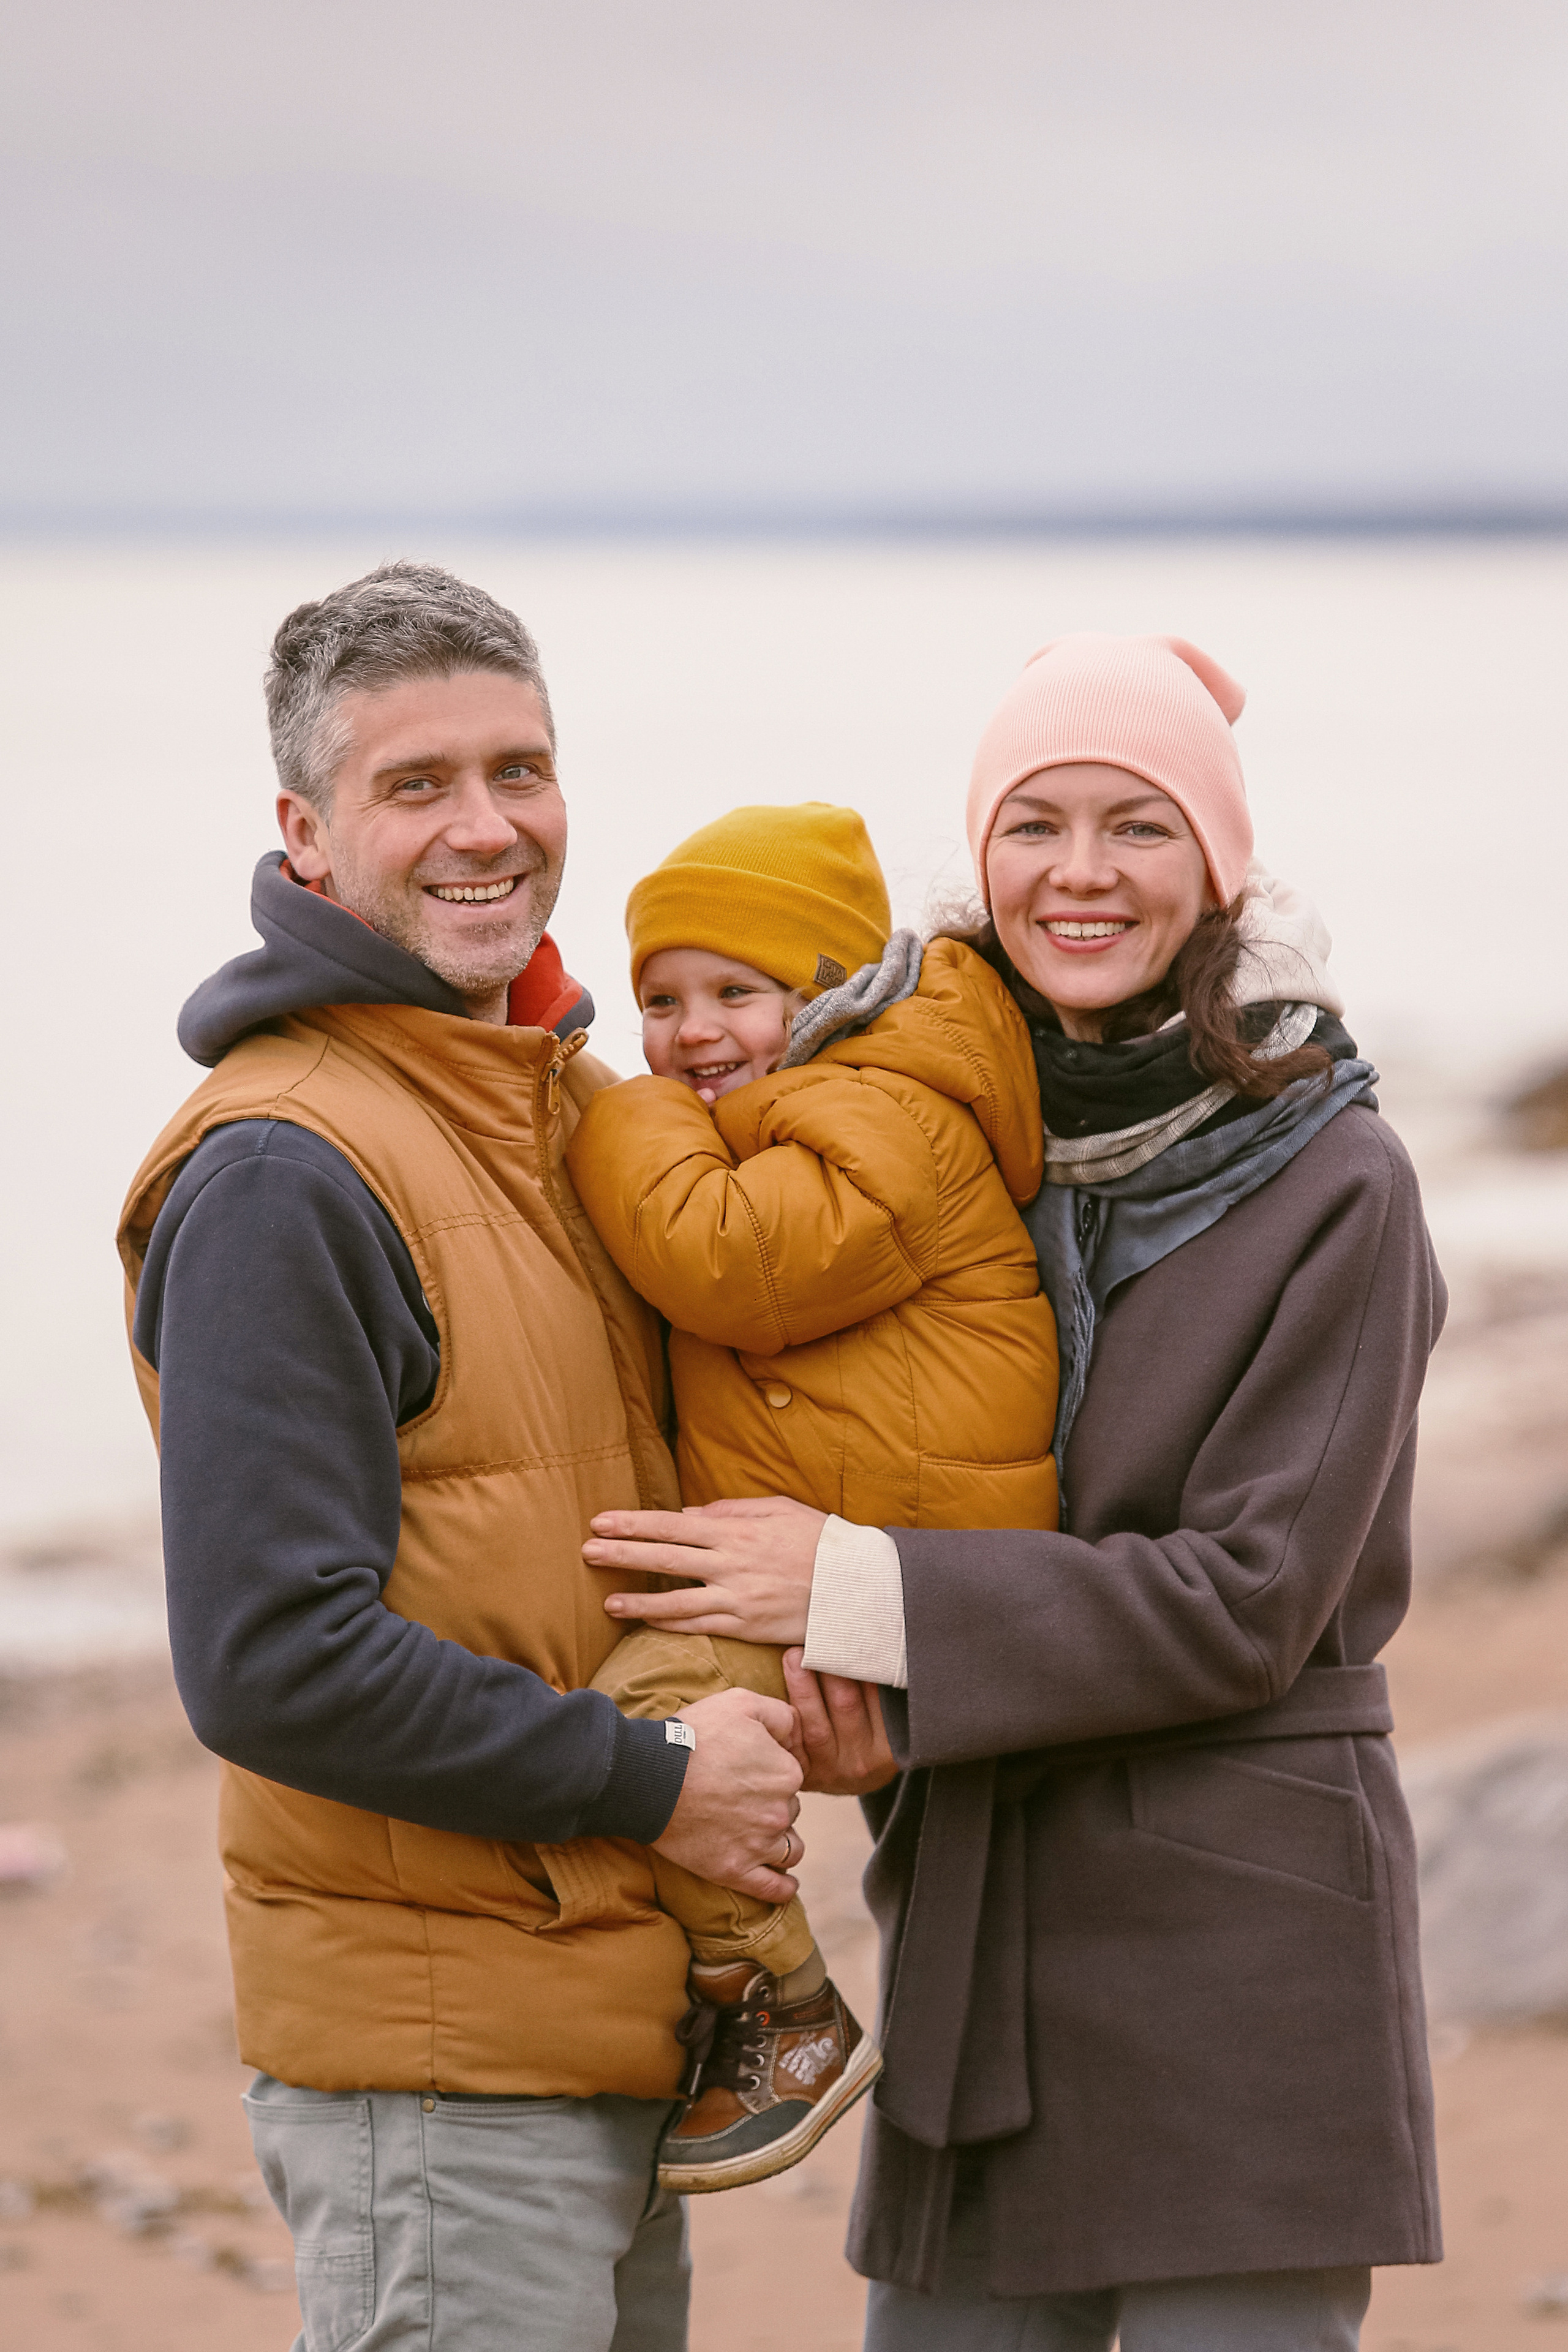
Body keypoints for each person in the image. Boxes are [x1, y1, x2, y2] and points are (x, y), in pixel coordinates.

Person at [581, 633, 1444, 2352]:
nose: (1080, 873)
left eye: (1136, 826)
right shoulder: (951, 1126)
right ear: (981, 860)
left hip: (1240, 1958)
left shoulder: (1341, 1182)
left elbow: (1252, 1601)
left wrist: (852, 1589)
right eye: (1034, 824)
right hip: (984, 1933)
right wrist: (876, 1717)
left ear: (1218, 862)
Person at [115, 562, 807, 2352]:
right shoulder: (286, 1173)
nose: (487, 828)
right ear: (308, 830)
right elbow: (272, 1661)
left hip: (595, 2029)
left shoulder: (558, 1107)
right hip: (436, 2074)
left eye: (522, 769)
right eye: (417, 785)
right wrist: (658, 1778)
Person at [565, 801, 1059, 2193]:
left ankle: (782, 2010)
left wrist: (615, 1105)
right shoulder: (821, 1100)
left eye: (736, 991)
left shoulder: (884, 1107)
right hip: (867, 1549)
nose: (691, 1030)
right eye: (659, 1000)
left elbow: (727, 1263)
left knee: (649, 1725)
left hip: (925, 1576)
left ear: (830, 992)